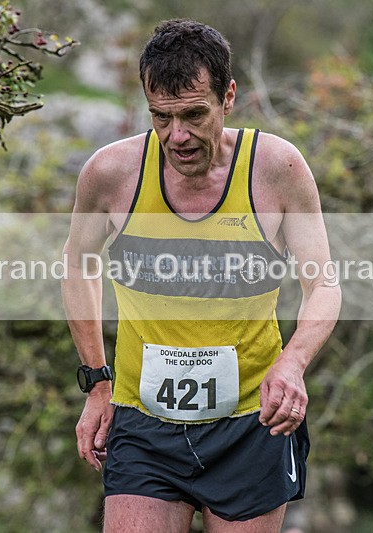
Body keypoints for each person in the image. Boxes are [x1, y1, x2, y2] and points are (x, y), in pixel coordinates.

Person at [61, 18, 340, 533]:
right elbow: (78, 266)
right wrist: (97, 381)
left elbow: (323, 284)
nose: (178, 136)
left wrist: (294, 363)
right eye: (161, 117)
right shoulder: (111, 174)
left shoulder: (276, 168)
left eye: (194, 114)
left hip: (251, 423)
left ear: (228, 96)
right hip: (143, 423)